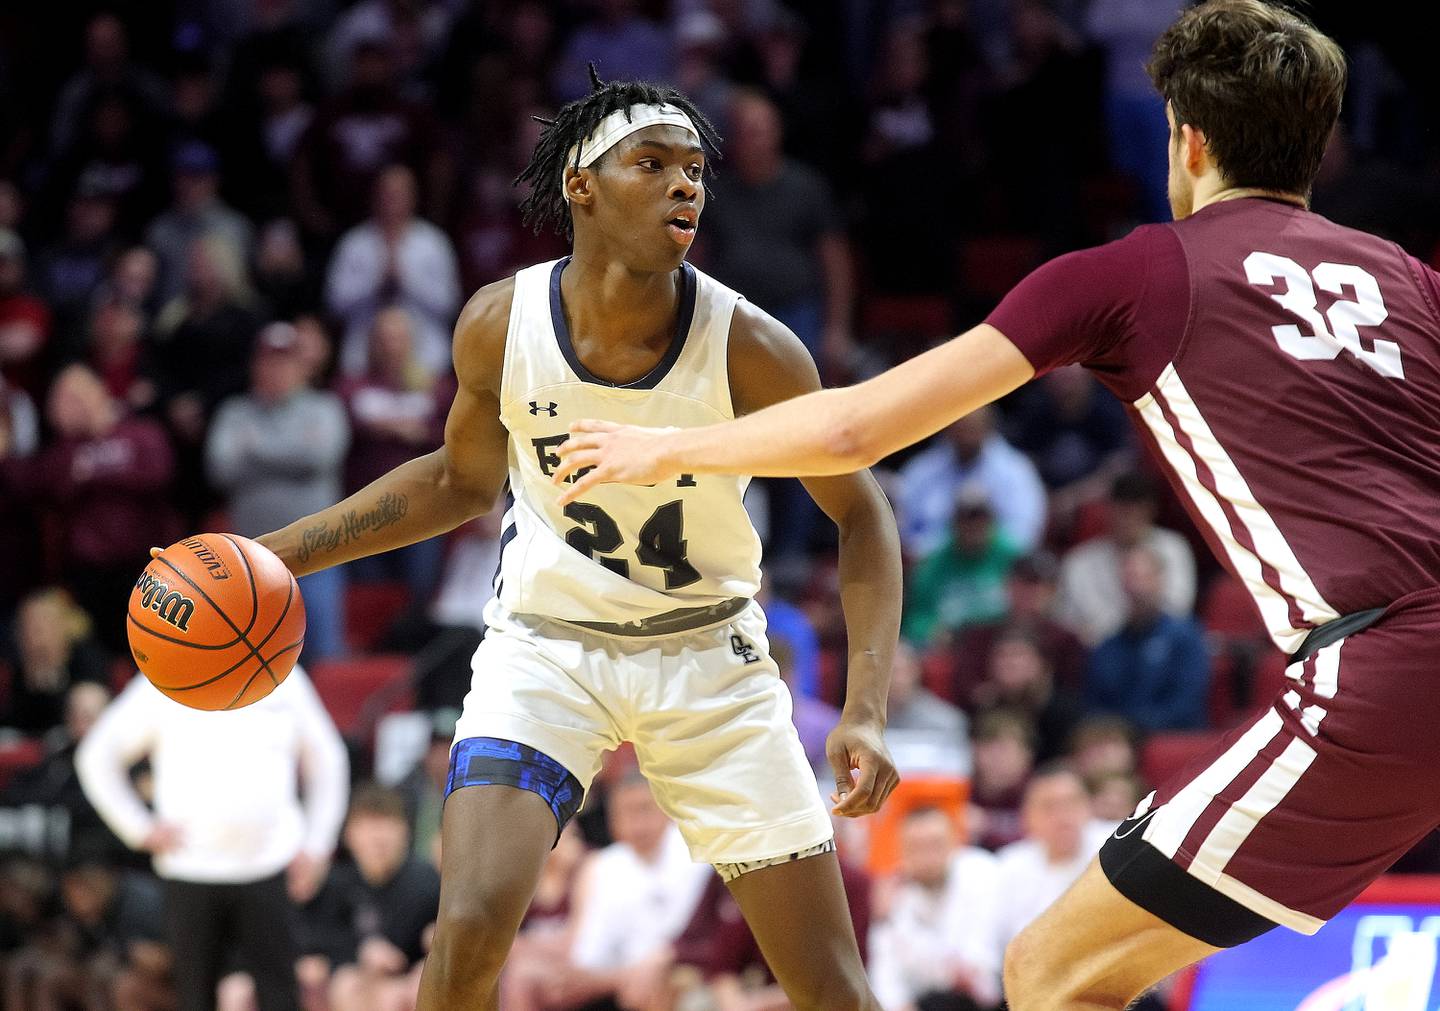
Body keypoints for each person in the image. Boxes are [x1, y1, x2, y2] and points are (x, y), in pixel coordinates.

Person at [555, 3, 1430, 1001]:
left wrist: (664, 446)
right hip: (1405, 660)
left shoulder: (1138, 271)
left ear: (1186, 140)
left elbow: (855, 430)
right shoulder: (1406, 279)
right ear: (1320, 142)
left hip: (1387, 668)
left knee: (1053, 970)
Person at [211, 72, 900, 1011]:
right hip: (547, 646)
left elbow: (862, 513)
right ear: (581, 183)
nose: (685, 185)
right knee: (468, 926)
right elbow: (458, 482)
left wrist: (864, 705)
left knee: (832, 988)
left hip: (707, 655)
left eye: (695, 169)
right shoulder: (502, 324)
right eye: (652, 164)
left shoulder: (753, 346)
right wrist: (273, 556)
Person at [77, 665, 349, 1011]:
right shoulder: (168, 670)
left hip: (269, 867)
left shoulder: (282, 672)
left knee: (281, 998)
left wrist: (317, 845)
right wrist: (138, 828)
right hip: (191, 870)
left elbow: (329, 760)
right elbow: (96, 755)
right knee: (195, 998)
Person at [206, 322, 351, 659]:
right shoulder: (235, 411)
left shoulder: (325, 408)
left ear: (303, 367)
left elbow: (318, 457)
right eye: (269, 361)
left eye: (285, 361)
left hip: (319, 551)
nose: (276, 370)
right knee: (255, 655)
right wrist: (292, 454)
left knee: (324, 655)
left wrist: (254, 451)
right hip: (254, 557)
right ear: (255, 366)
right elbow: (220, 468)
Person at [870, 806, 1001, 1011]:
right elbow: (885, 977)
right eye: (917, 847)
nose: (928, 858)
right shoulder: (895, 896)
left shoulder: (981, 871)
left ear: (955, 842)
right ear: (902, 852)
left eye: (935, 844)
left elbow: (975, 969)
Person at [1054, 471, 1196, 645]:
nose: (1128, 517)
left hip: (1160, 646)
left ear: (1150, 509)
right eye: (1122, 509)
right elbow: (1068, 621)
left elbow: (1178, 608)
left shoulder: (1174, 548)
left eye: (1136, 509)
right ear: (1108, 509)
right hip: (1099, 651)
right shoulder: (1079, 561)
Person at [1083, 545, 1212, 732]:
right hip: (1119, 745)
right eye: (1129, 578)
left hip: (1172, 742)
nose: (1136, 587)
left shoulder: (1186, 637)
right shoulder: (1107, 647)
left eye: (1143, 577)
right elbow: (1095, 707)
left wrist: (1134, 728)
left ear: (1160, 580)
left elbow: (1186, 704)